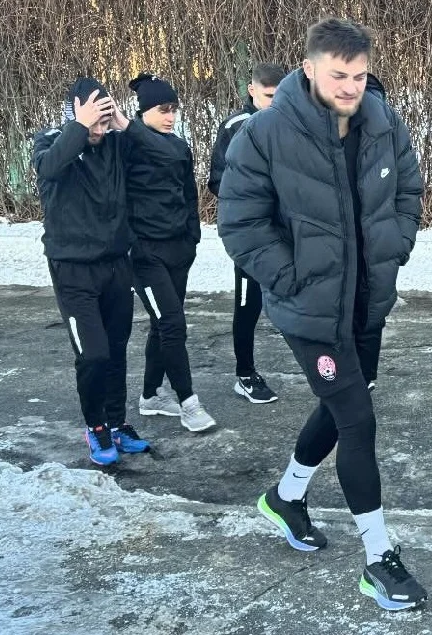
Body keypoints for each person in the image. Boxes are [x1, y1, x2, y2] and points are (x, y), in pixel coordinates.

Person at [218, 18, 426, 611]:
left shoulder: (384, 123)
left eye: (359, 75)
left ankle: (286, 497)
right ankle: (379, 559)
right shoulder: (265, 133)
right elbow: (240, 223)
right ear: (308, 68)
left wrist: (396, 245)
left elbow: (408, 191)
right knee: (357, 420)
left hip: (367, 302)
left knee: (341, 407)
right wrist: (291, 278)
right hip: (310, 311)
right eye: (339, 75)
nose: (351, 87)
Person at [32, 77, 172, 464]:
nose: (99, 130)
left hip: (116, 266)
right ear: (74, 115)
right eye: (93, 121)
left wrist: (126, 126)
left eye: (104, 121)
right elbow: (48, 168)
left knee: (115, 351)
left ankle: (116, 423)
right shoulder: (51, 142)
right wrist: (80, 126)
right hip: (73, 271)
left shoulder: (115, 143)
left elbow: (166, 158)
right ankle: (95, 427)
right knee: (93, 354)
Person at [125, 72, 216, 432]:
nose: (171, 116)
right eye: (163, 109)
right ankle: (189, 402)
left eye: (174, 109)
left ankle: (150, 396)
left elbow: (189, 194)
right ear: (144, 111)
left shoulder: (179, 146)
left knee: (162, 325)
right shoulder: (127, 142)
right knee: (173, 324)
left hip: (178, 249)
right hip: (144, 255)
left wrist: (192, 237)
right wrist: (131, 243)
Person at [208, 62, 286, 404]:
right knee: (248, 303)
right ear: (252, 90)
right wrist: (254, 205)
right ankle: (245, 374)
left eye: (279, 96)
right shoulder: (235, 127)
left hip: (286, 232)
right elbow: (218, 182)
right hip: (251, 236)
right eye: (268, 96)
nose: (274, 102)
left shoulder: (291, 123)